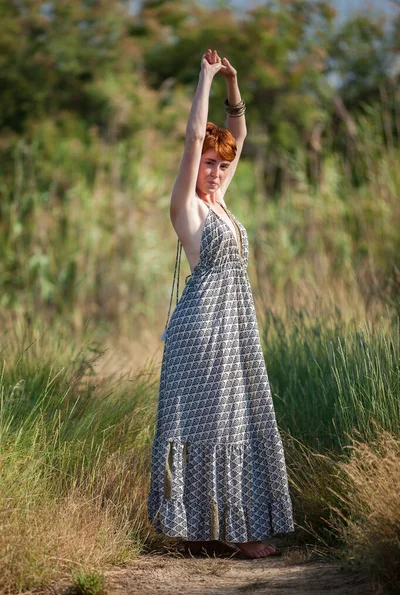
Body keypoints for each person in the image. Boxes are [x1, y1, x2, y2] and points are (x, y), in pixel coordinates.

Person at [147, 49, 295, 559]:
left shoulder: (220, 201)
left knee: (233, 420)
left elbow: (241, 135)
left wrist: (234, 84)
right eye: (208, 164)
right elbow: (194, 138)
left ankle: (216, 532)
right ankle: (235, 534)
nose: (214, 171)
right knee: (220, 423)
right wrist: (205, 77)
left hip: (233, 325)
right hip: (202, 330)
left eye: (219, 165)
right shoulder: (186, 207)